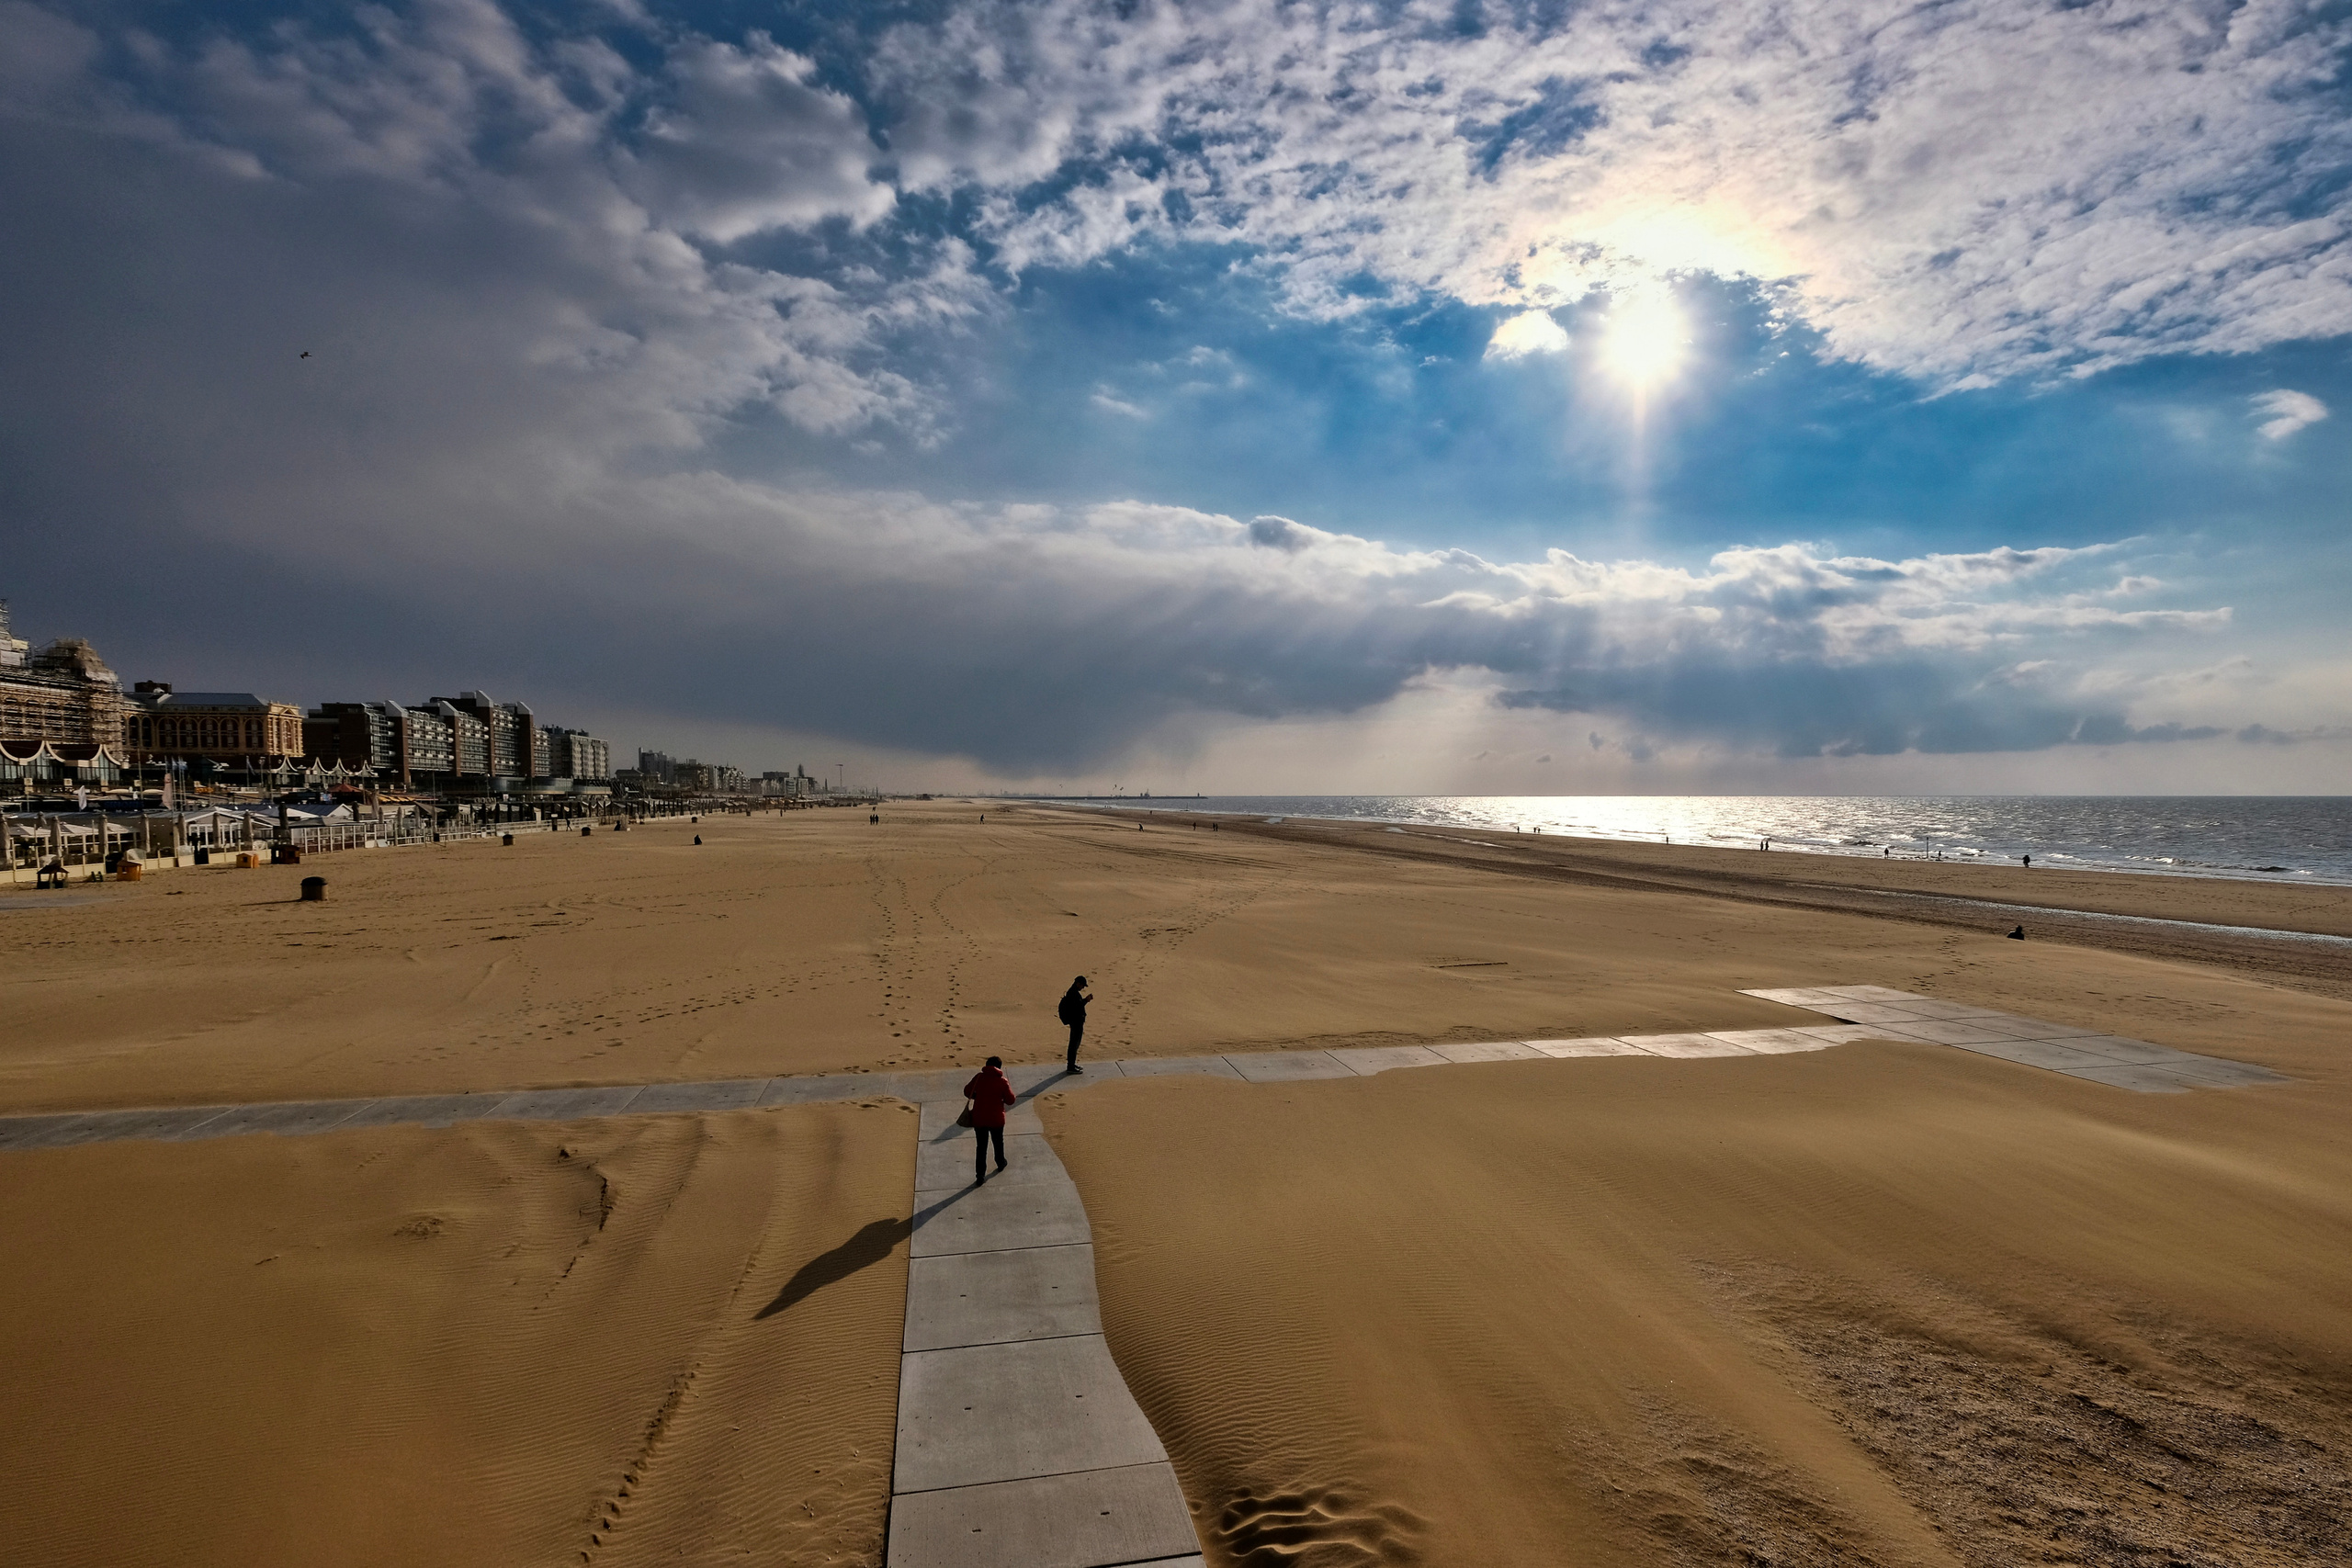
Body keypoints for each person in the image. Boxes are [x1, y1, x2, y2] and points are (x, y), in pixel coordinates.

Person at [963, 1056, 1017, 1183]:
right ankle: (1000, 1162)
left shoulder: (979, 1078)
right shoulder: (1002, 1082)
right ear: (999, 1067)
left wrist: (978, 1097)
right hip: (996, 1119)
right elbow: (1011, 1100)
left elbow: (967, 1091)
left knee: (981, 1147)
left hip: (979, 1118)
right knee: (998, 1142)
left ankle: (980, 1175)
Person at [1057, 975, 1091, 1072]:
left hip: (1076, 1022)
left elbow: (1078, 1005)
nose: (1083, 987)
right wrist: (1086, 1000)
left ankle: (1072, 1064)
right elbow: (1077, 1007)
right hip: (1076, 1022)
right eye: (1082, 985)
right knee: (1074, 1044)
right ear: (1078, 983)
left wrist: (1084, 1000)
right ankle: (1071, 1066)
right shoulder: (1073, 993)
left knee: (1075, 1044)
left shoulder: (1073, 992)